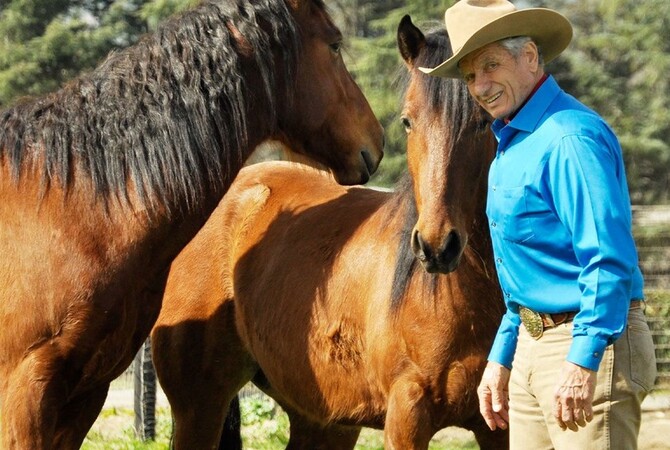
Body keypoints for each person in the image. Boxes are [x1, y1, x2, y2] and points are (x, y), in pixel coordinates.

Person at [420, 0, 658, 448]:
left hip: (588, 343)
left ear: (529, 56)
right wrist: (502, 357)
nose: (480, 85)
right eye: (470, 75)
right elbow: (522, 277)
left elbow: (607, 259)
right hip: (532, 345)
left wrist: (583, 361)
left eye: (491, 65)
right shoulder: (511, 144)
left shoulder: (568, 138)